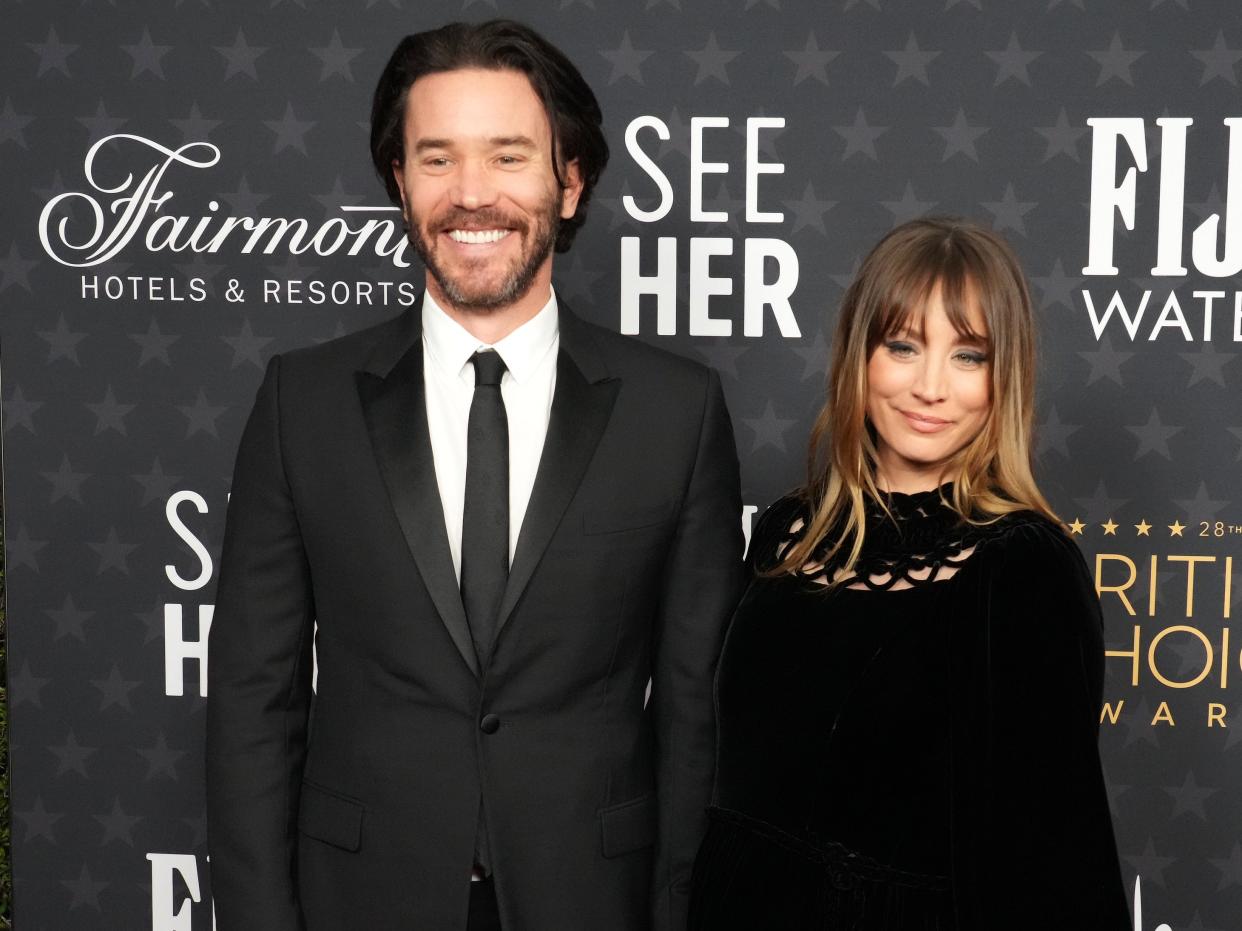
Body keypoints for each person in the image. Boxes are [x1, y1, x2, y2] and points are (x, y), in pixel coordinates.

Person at [206, 19, 743, 931]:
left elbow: (697, 718)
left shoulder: (676, 412)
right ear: (399, 182)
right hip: (361, 898)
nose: (471, 195)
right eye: (437, 159)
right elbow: (253, 701)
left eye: (507, 156)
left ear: (568, 182)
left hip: (592, 897)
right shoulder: (304, 403)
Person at [689, 218, 1130, 929]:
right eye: (903, 345)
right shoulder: (788, 531)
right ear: (860, 356)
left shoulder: (1024, 569)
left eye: (968, 355)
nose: (930, 387)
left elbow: (1056, 855)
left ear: (1002, 379)